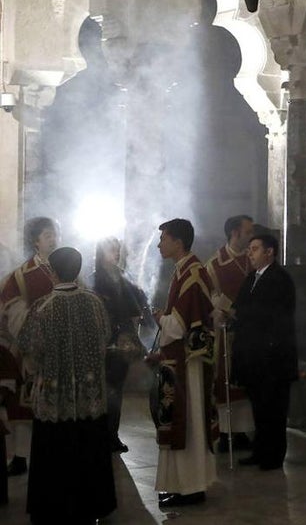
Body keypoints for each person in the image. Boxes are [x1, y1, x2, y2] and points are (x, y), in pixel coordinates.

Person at [18, 247, 116, 523]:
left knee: (54, 455)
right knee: (90, 449)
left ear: (52, 271)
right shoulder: (95, 303)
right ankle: (93, 506)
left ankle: (53, 507)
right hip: (90, 396)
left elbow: (31, 350)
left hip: (55, 399)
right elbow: (105, 339)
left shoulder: (43, 306)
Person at [150, 218, 216, 508]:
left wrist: (158, 319)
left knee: (186, 423)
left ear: (178, 242)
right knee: (182, 422)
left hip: (186, 363)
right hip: (180, 361)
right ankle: (182, 484)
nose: (159, 243)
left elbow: (177, 327)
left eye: (163, 238)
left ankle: (190, 486)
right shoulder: (185, 270)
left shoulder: (191, 273)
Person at [0, 216, 60, 477]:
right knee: (24, 404)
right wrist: (37, 337)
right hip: (32, 352)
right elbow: (14, 313)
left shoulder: (67, 269)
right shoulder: (21, 276)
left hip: (61, 352)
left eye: (55, 234)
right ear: (35, 241)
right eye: (48, 235)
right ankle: (22, 456)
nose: (54, 239)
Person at [232, 233, 297, 471]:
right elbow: (241, 307)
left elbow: (274, 315)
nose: (250, 253)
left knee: (274, 408)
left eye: (255, 249)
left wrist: (245, 316)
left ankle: (274, 455)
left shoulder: (280, 279)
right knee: (259, 407)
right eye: (249, 249)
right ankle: (259, 450)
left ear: (269, 252)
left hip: (273, 356)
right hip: (253, 356)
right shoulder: (252, 277)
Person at [204, 214, 256, 450]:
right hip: (226, 331)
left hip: (250, 332)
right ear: (235, 233)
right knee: (225, 379)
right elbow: (210, 295)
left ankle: (243, 430)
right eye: (248, 232)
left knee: (246, 383)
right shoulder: (215, 263)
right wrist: (231, 309)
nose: (251, 236)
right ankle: (225, 431)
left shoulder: (252, 258)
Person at [92, 236, 147, 453]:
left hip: (122, 345)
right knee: (104, 391)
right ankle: (100, 435)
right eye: (110, 249)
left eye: (117, 249)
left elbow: (136, 309)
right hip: (102, 344)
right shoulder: (94, 280)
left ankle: (112, 433)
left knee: (117, 390)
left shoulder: (125, 280)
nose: (115, 254)